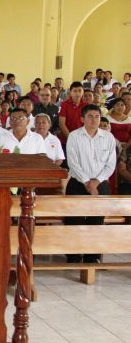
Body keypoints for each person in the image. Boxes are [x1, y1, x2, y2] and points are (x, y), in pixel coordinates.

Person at [65, 104, 117, 263]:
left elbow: (111, 164)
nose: (94, 120)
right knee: (75, 221)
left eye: (97, 116)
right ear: (82, 119)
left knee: (96, 222)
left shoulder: (108, 137)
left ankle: (92, 257)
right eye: (90, 116)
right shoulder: (74, 136)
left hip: (101, 185)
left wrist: (96, 182)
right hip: (78, 183)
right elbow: (73, 163)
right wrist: (87, 181)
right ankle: (74, 256)